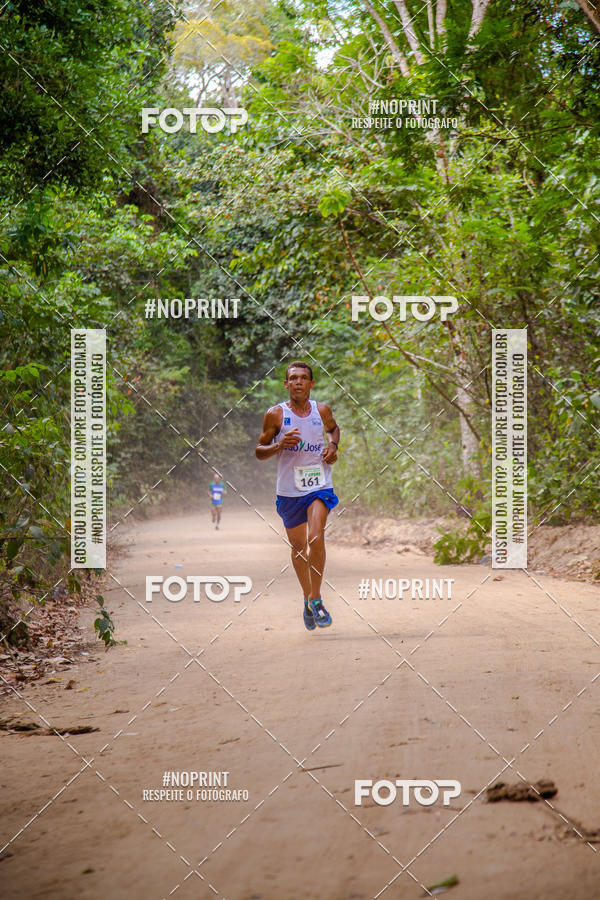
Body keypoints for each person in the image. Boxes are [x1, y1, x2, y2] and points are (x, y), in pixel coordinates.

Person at [255, 361, 340, 630]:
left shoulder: (321, 410)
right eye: (293, 378)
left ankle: (316, 599)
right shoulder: (276, 415)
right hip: (289, 490)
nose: (299, 382)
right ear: (286, 384)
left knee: (316, 537)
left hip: (319, 485)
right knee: (298, 547)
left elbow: (333, 429)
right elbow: (259, 450)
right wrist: (280, 444)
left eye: (304, 378)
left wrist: (333, 446)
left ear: (311, 383)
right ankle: (306, 598)